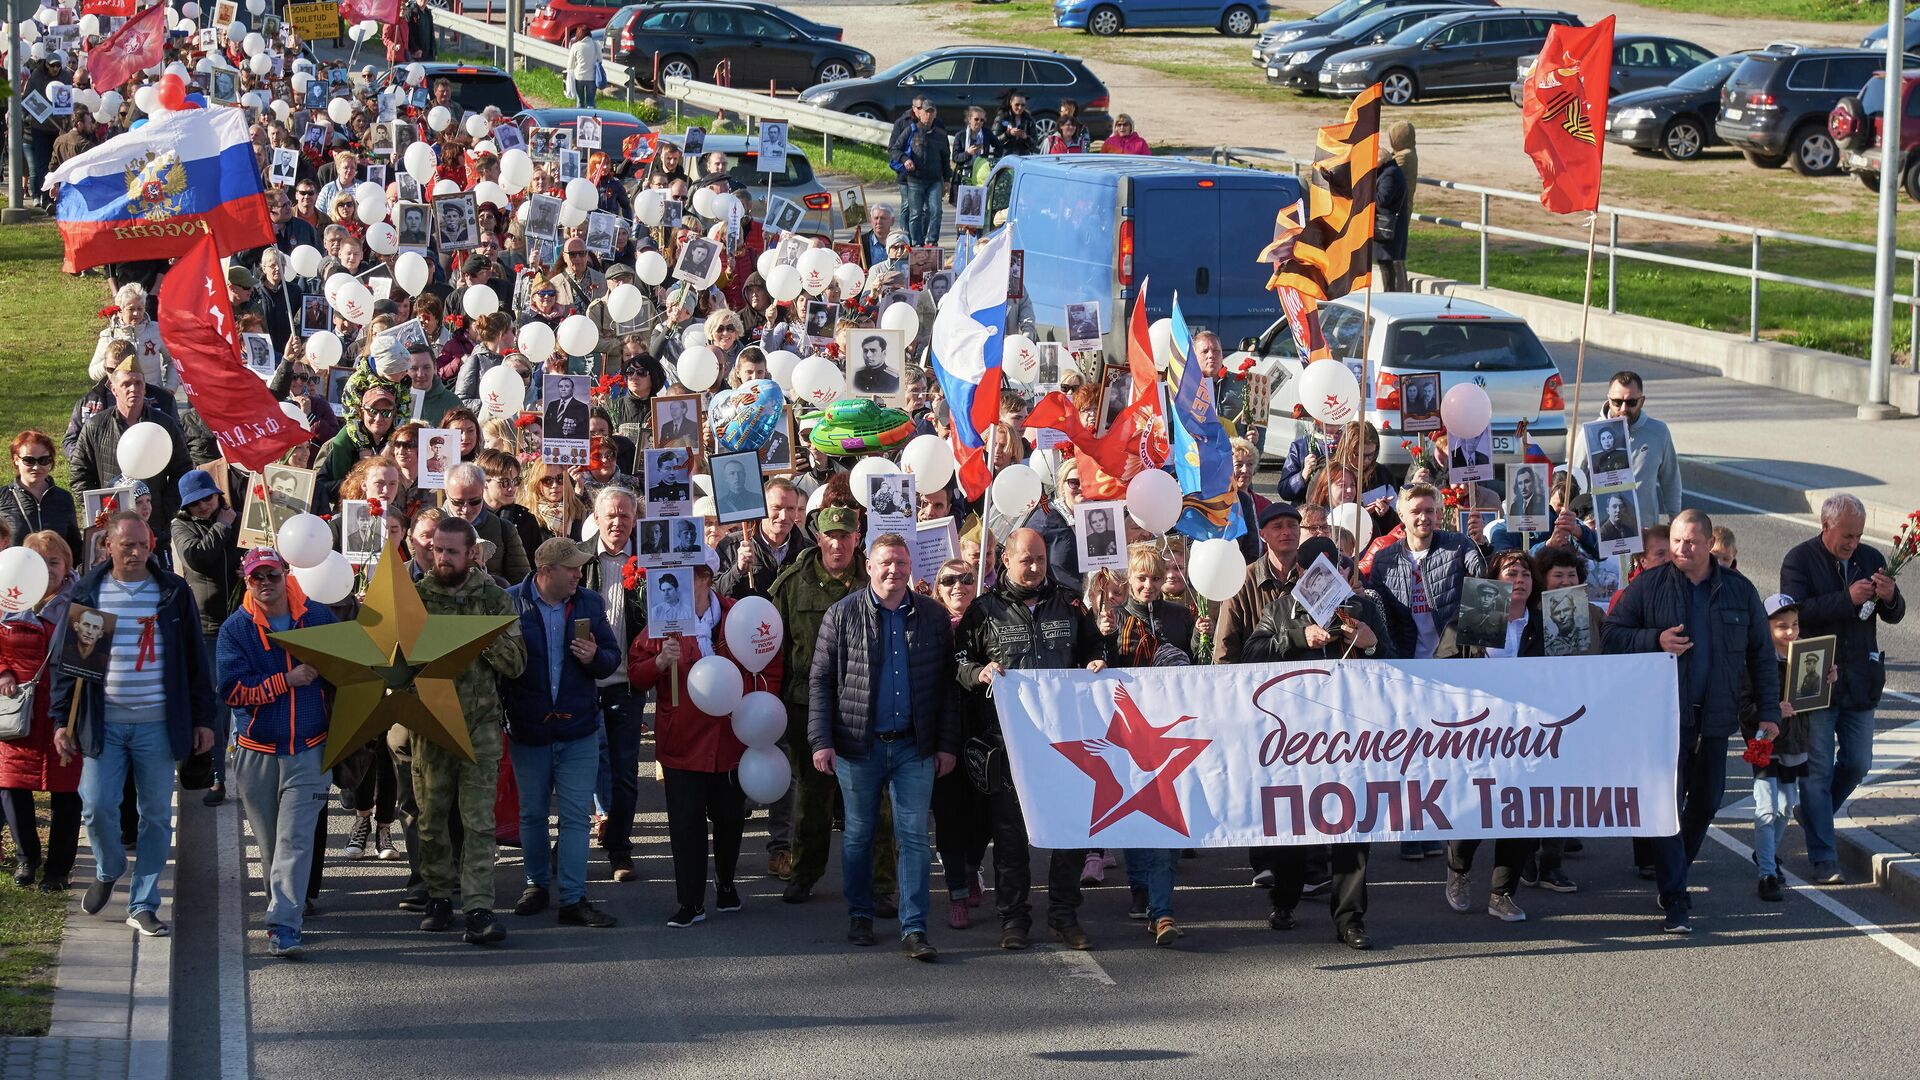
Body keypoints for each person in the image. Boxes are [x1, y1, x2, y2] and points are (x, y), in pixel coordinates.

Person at [1604, 508, 1779, 934]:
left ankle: (1673, 866)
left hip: (1716, 718)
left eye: (1691, 542)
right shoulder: (1649, 585)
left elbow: (1761, 655)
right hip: (1664, 719)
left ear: (1708, 546)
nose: (1682, 549)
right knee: (1668, 804)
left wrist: (1770, 712)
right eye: (1677, 541)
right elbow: (1610, 634)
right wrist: (1654, 640)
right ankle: (1676, 897)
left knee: (1707, 800)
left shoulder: (1739, 590)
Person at [51, 513, 218, 937]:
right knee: (97, 805)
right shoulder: (90, 592)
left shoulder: (172, 592)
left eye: (143, 544)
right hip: (102, 724)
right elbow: (68, 667)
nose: (137, 552)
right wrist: (60, 722)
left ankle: (143, 903)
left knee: (157, 815)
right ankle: (109, 868)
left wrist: (203, 719)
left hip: (157, 724)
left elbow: (195, 661)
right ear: (108, 545)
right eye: (127, 545)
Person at [955, 528, 1108, 951]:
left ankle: (1063, 914)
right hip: (1010, 744)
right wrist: (978, 672)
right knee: (1010, 836)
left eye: (1040, 559)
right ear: (1005, 560)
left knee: (1071, 832)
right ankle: (1013, 919)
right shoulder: (983, 611)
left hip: (1066, 743)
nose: (1035, 567)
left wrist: (1097, 660)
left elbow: (1095, 647)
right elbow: (960, 661)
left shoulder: (1071, 604)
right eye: (1026, 560)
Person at [810, 533, 959, 960]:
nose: (894, 570)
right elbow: (820, 680)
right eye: (886, 563)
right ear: (870, 567)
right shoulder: (841, 615)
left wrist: (945, 744)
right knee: (858, 835)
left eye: (901, 562)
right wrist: (821, 740)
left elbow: (946, 688)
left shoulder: (931, 616)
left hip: (915, 747)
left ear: (911, 567)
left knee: (913, 837)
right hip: (858, 747)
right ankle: (860, 914)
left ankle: (914, 928)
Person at [1239, 535, 1390, 949]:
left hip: (1353, 738)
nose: (1332, 577)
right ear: (1302, 574)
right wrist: (1297, 639)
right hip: (1296, 738)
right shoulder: (1281, 609)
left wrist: (1369, 643)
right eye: (1319, 570)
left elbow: (1395, 663)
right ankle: (1284, 900)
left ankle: (1350, 920)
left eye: (1338, 568)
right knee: (1293, 826)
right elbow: (1250, 655)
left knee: (1353, 828)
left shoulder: (1362, 609)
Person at [768, 507, 897, 904]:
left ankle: (881, 886)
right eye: (830, 536)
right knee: (812, 798)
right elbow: (779, 649)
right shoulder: (792, 584)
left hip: (869, 705)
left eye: (845, 536)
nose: (837, 544)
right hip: (809, 706)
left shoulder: (875, 579)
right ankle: (805, 874)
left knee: (877, 801)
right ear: (818, 539)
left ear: (857, 539)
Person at [411, 516, 527, 945]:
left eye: (451, 551)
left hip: (479, 726)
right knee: (431, 819)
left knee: (478, 823)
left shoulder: (494, 600)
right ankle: (439, 897)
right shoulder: (416, 599)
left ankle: (478, 908)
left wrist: (478, 639)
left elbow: (516, 663)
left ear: (472, 553)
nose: (441, 558)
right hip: (431, 724)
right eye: (437, 550)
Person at [1779, 492, 1904, 884]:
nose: (1853, 544)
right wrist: (1846, 599)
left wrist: (1890, 596)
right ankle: (1823, 858)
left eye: (1859, 535)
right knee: (1816, 772)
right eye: (1846, 535)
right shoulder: (1798, 560)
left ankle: (1815, 816)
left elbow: (1895, 615)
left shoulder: (1871, 558)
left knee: (1858, 762)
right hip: (1815, 676)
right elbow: (1796, 613)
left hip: (1860, 679)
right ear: (1825, 526)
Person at [218, 550, 337, 959]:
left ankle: (283, 924)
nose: (265, 582)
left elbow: (348, 674)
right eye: (256, 577)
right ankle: (283, 904)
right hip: (256, 754)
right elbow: (231, 690)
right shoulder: (236, 629)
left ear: (287, 574)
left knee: (294, 840)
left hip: (310, 751)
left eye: (272, 574)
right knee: (271, 847)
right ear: (246, 581)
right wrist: (285, 680)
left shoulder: (320, 619)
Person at [503, 538, 621, 928]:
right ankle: (536, 884)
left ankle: (573, 898)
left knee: (575, 818)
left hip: (578, 731)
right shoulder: (510, 603)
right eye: (570, 568)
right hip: (529, 729)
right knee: (532, 815)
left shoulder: (589, 602)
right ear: (545, 572)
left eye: (579, 567)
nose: (578, 574)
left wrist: (595, 658)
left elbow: (610, 659)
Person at [1, 537, 82, 894]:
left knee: (67, 791)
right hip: (17, 710)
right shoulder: (7, 599)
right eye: (37, 560)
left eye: (54, 561)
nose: (46, 569)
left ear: (66, 567)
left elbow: (91, 655)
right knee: (11, 786)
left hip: (62, 711)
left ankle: (58, 868)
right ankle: (27, 856)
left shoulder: (82, 603)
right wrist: (2, 670)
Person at [576, 487, 645, 882]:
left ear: (635, 519)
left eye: (625, 515)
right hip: (583, 681)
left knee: (623, 771)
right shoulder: (580, 557)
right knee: (577, 769)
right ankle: (567, 846)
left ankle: (619, 848)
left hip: (628, 683)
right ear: (597, 518)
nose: (618, 522)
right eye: (611, 515)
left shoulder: (649, 558)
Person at [70, 358, 193, 552]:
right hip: (112, 529)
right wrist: (98, 513)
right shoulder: (96, 427)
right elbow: (79, 474)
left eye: (138, 383)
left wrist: (165, 509)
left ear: (145, 388)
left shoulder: (163, 425)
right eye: (126, 384)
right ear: (113, 389)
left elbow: (183, 468)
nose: (133, 389)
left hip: (154, 527)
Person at [1748, 594, 1817, 902]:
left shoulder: (1804, 658)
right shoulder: (1755, 660)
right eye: (1782, 627)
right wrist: (1772, 710)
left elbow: (1814, 701)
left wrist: (1828, 681)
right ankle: (1766, 873)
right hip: (1764, 741)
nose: (1791, 633)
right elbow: (1742, 706)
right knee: (1766, 807)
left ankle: (1766, 855)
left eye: (1795, 625)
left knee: (1786, 806)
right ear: (1765, 628)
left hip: (1795, 742)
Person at [1571, 372, 1682, 523]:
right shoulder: (1589, 434)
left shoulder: (1659, 432)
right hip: (1600, 531)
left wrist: (1675, 518)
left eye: (1631, 402)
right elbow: (1574, 480)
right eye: (1617, 402)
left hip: (1645, 530)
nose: (1623, 408)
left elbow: (1671, 479)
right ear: (1608, 400)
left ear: (1641, 401)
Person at [443, 463, 531, 584]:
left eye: (474, 502)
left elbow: (521, 585)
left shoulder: (503, 529)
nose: (466, 509)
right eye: (458, 502)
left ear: (483, 491)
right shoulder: (428, 527)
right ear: (447, 493)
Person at [4, 429, 83, 560]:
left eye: (43, 460)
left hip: (56, 576)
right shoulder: (3, 499)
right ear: (16, 459)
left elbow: (74, 547)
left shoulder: (64, 498)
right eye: (29, 460)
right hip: (15, 577)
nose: (36, 467)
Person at [889, 96, 951, 248]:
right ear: (919, 113)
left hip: (934, 180)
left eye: (932, 112)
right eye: (926, 112)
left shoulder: (941, 134)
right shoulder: (910, 130)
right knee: (915, 213)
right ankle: (916, 243)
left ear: (935, 114)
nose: (928, 115)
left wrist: (947, 179)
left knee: (936, 211)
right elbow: (894, 149)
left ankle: (932, 241)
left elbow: (945, 158)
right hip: (915, 180)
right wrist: (905, 159)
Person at [566, 24, 603, 109]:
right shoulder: (596, 44)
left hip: (579, 77)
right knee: (591, 102)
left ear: (579, 34)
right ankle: (592, 120)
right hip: (592, 78)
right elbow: (600, 60)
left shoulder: (575, 46)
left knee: (580, 101)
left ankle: (580, 120)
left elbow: (570, 65)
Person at [545, 376, 591, 440]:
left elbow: (584, 432)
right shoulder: (552, 405)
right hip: (551, 444)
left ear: (573, 389)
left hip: (571, 445)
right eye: (560, 386)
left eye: (567, 386)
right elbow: (546, 427)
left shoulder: (582, 407)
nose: (563, 389)